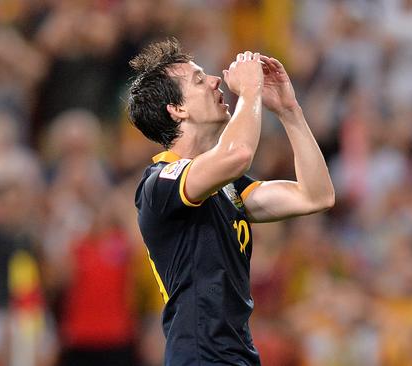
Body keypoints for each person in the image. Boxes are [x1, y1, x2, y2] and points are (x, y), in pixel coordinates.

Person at [128, 38, 334, 365]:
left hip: (238, 355)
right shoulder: (160, 183)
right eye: (199, 79)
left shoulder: (229, 187)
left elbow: (316, 195)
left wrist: (288, 111)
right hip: (199, 357)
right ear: (177, 109)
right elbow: (238, 153)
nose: (215, 80)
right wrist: (249, 92)